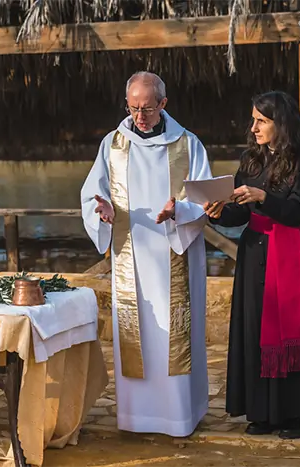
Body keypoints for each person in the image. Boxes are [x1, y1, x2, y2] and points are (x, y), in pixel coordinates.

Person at [80, 71, 211, 437]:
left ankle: (180, 416)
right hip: (131, 257)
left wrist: (179, 211)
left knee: (175, 337)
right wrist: (102, 211)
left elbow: (206, 200)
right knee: (136, 336)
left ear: (163, 104)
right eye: (133, 108)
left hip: (175, 252)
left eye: (148, 109)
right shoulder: (112, 145)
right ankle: (137, 417)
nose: (140, 116)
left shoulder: (188, 144)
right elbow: (92, 194)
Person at [204, 91, 300, 439]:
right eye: (253, 120)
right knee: (254, 331)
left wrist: (263, 196)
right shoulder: (251, 159)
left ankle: (298, 415)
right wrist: (217, 212)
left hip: (292, 252)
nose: (253, 128)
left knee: (298, 333)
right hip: (254, 255)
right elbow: (240, 213)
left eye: (261, 121)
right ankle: (262, 412)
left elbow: (298, 210)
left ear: (281, 123)